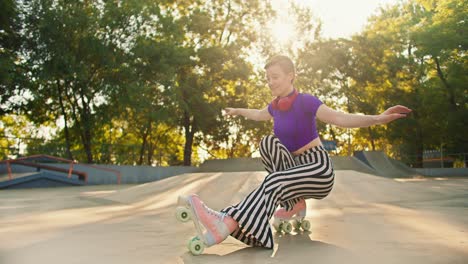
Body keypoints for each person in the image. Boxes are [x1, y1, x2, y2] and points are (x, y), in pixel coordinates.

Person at [180, 55, 412, 251]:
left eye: (275, 77)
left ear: (291, 75)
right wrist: (238, 110)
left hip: (318, 169)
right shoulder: (275, 107)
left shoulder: (306, 102)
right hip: (295, 170)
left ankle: (226, 223)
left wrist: (379, 118)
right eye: (268, 79)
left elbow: (340, 118)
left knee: (274, 181)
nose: (270, 83)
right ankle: (295, 203)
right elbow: (259, 114)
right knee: (268, 143)